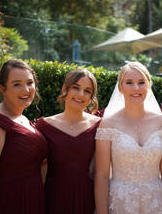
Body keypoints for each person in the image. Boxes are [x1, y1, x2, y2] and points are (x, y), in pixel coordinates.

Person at [95, 61, 162, 214]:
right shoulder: (107, 124)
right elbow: (102, 175)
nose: (136, 88)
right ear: (120, 88)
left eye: (141, 82)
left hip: (155, 203)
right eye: (129, 83)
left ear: (148, 86)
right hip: (120, 203)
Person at [0, 59, 48, 214]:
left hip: (33, 202)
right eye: (16, 84)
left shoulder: (24, 119)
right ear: (2, 89)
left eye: (30, 83)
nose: (26, 90)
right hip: (9, 204)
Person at [36, 68, 101, 214]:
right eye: (76, 88)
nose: (80, 94)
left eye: (87, 91)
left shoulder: (100, 126)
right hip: (53, 198)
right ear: (65, 89)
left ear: (92, 97)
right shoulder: (44, 125)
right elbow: (39, 169)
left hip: (87, 198)